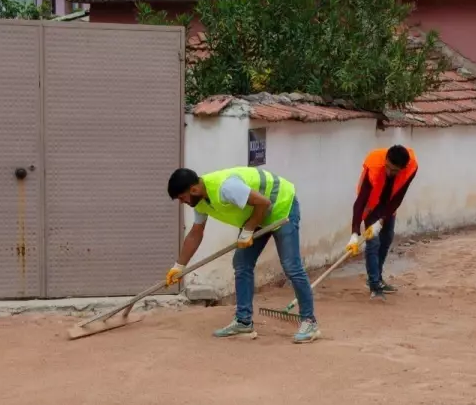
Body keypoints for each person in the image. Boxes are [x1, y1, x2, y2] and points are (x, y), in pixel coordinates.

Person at [167, 166, 320, 344]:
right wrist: (179, 267)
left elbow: (264, 202)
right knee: (242, 263)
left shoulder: (226, 188)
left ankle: (310, 322)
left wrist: (247, 230)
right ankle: (243, 321)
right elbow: (195, 233)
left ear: (193, 189)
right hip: (257, 213)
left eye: (182, 198)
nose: (182, 202)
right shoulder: (200, 202)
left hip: (281, 207)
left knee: (291, 266)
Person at [345, 145, 418, 300]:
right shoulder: (374, 165)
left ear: (403, 168)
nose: (389, 172)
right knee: (373, 242)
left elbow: (398, 198)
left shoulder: (411, 168)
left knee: (387, 238)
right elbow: (360, 202)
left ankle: (377, 277)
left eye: (394, 170)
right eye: (388, 167)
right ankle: (374, 287)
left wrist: (382, 220)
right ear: (385, 160)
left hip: (389, 205)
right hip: (371, 205)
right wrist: (354, 233)